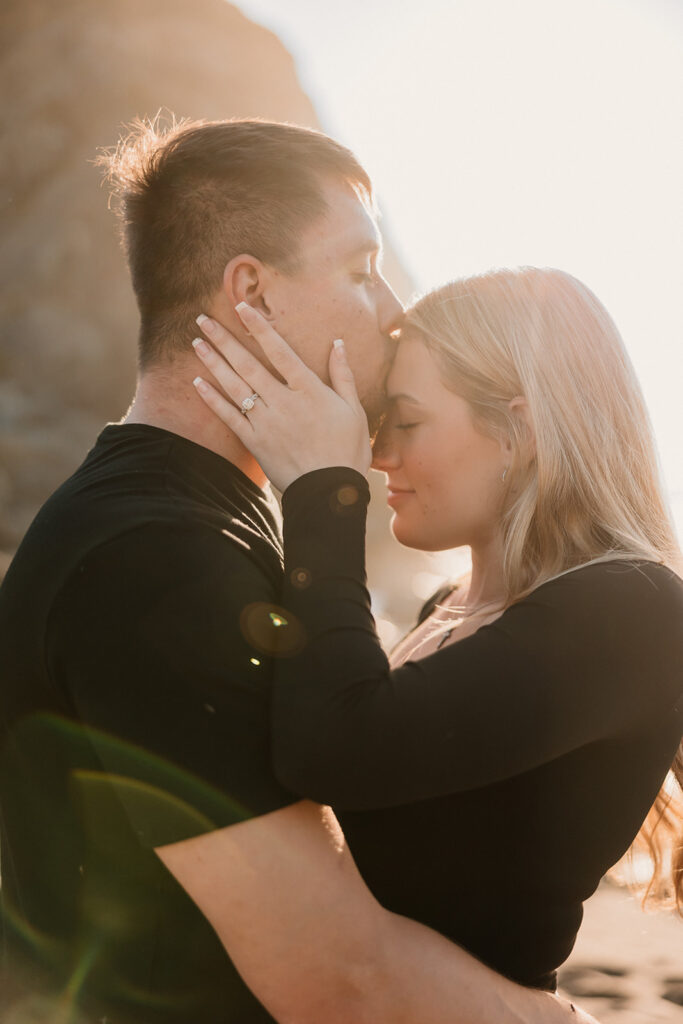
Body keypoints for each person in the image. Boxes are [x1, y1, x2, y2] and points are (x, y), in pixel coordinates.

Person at [0, 120, 594, 1024]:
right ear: (250, 292)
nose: (394, 305)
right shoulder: (149, 558)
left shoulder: (188, 518)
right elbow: (337, 978)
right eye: (360, 270)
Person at [191, 266, 683, 1001]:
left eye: (406, 422)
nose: (379, 455)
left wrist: (322, 495)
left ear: (517, 429)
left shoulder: (629, 609)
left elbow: (335, 749)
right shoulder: (446, 612)